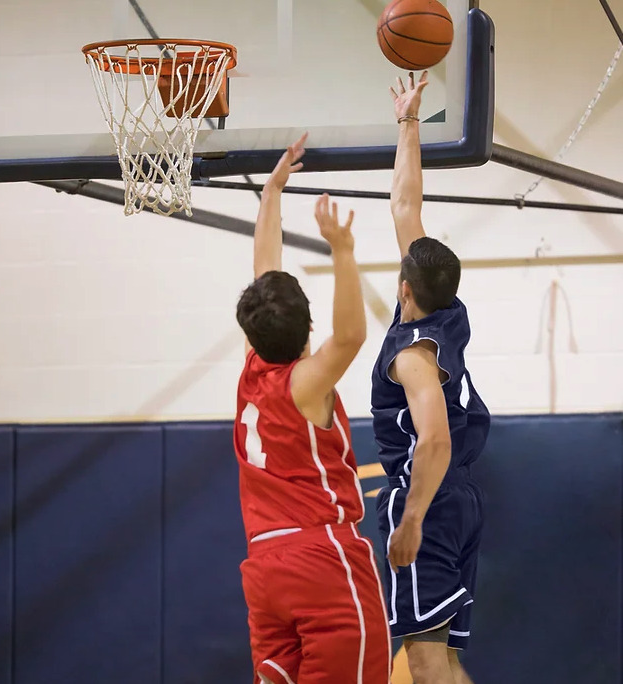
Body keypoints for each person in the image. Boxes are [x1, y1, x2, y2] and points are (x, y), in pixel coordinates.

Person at [234, 134, 392, 684]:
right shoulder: (304, 384)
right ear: (306, 328)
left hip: (263, 568)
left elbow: (264, 266)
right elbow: (349, 336)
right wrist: (342, 251)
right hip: (320, 558)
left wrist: (271, 191)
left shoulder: (253, 367)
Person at [371, 73, 491, 684]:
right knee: (440, 656)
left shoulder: (413, 353)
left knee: (420, 658)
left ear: (403, 289)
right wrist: (408, 121)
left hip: (431, 497)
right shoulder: (448, 311)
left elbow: (435, 440)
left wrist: (411, 518)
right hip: (461, 497)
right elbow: (405, 205)